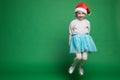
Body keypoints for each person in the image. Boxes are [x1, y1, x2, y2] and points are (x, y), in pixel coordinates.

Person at [68, 3, 97, 75]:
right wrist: (70, 41)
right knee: (78, 57)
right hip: (76, 41)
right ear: (76, 13)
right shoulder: (73, 22)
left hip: (85, 40)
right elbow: (71, 33)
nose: (81, 15)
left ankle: (80, 67)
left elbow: (88, 32)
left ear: (85, 14)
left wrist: (88, 41)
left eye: (83, 13)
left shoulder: (87, 22)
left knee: (84, 58)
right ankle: (73, 66)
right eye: (79, 13)